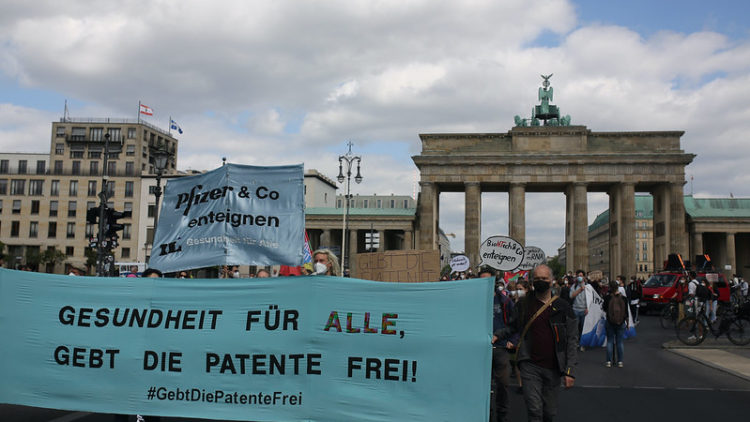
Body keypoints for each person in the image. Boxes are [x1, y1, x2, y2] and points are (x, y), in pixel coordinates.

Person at [496, 264, 577, 422]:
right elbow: (512, 327)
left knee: (549, 412)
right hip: (529, 364)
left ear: (551, 280)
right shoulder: (523, 305)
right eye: (538, 278)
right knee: (534, 409)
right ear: (532, 281)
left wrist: (570, 370)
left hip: (554, 366)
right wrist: (496, 336)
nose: (541, 281)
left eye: (544, 278)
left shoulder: (563, 307)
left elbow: (572, 339)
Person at [483, 267, 514, 422]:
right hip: (480, 349)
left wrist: (511, 340)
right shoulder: (472, 300)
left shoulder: (504, 301)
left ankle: (502, 415)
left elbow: (514, 323)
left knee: (503, 384)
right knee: (481, 386)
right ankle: (485, 414)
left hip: (500, 347)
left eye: (487, 280)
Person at [603, 280, 628, 368]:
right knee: (620, 342)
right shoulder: (624, 298)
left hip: (610, 321)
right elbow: (626, 312)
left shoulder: (607, 298)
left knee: (610, 341)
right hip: (621, 322)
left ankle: (609, 361)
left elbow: (604, 308)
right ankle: (620, 361)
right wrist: (627, 323)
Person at [569, 270, 588, 351]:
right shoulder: (574, 286)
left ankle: (582, 344)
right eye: (578, 275)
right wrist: (579, 290)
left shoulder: (588, 286)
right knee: (575, 328)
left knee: (583, 329)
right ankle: (576, 343)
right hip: (575, 309)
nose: (580, 277)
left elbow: (590, 299)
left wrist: (588, 308)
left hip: (584, 310)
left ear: (584, 277)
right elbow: (571, 296)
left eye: (581, 275)